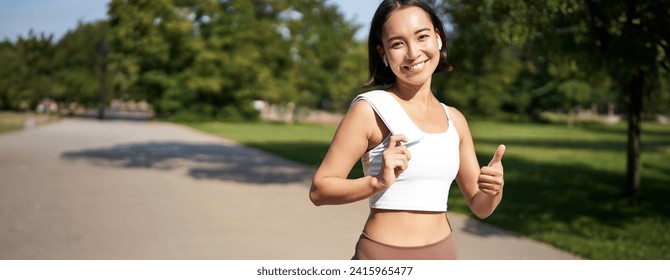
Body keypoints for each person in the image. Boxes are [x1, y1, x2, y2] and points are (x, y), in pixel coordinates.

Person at [309, 0, 506, 260]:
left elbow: (480, 207)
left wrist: (494, 190)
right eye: (397, 43)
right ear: (383, 53)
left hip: (443, 254)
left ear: (438, 38)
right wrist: (376, 182)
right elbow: (319, 191)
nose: (413, 53)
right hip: (382, 257)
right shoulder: (370, 110)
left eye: (422, 36)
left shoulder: (455, 120)